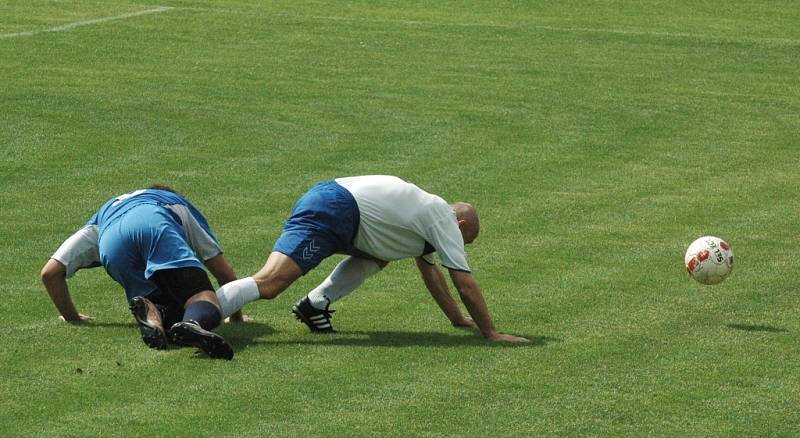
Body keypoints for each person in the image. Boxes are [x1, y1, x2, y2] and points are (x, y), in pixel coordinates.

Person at [215, 175, 528, 343]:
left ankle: (315, 304)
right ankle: (195, 317)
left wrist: (457, 319)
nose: (462, 247)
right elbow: (464, 283)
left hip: (336, 199)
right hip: (337, 210)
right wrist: (491, 332)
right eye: (465, 241)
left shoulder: (425, 219)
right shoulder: (443, 220)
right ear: (459, 226)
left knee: (382, 255)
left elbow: (431, 273)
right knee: (270, 283)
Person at [40, 185, 242, 359]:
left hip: (111, 242)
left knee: (169, 307)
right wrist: (235, 318)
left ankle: (154, 315)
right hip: (154, 224)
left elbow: (50, 273)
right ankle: (194, 323)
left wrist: (72, 317)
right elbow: (223, 272)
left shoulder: (101, 217)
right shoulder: (175, 202)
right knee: (202, 297)